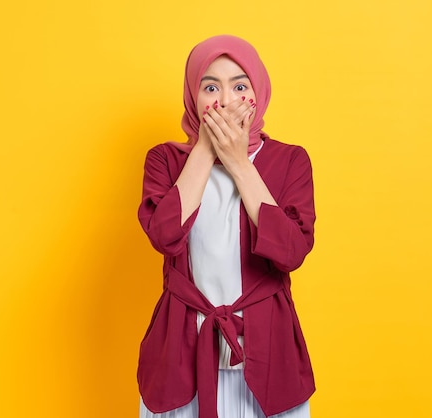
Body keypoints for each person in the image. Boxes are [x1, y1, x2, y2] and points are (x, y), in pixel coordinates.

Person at [137, 35, 316, 418]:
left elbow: (291, 252)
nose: (224, 100)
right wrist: (205, 148)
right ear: (193, 96)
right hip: (180, 360)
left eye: (239, 86)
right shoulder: (165, 161)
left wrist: (238, 161)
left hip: (266, 360)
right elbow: (164, 236)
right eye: (210, 87)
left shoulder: (290, 161)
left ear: (258, 93)